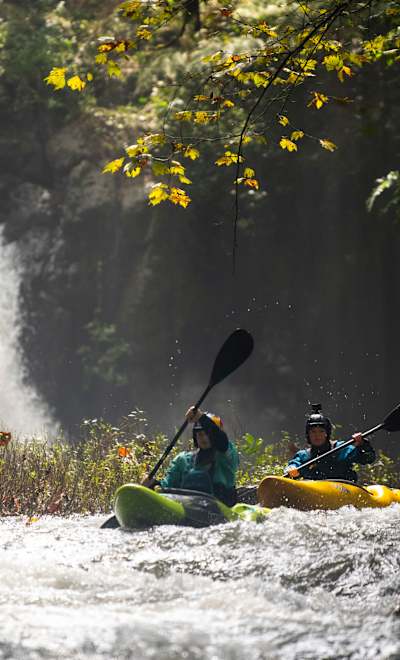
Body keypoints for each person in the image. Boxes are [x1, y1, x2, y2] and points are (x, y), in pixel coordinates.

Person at [142, 406, 239, 505]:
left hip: (220, 510)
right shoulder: (183, 460)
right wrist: (152, 485)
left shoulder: (226, 456)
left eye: (208, 434)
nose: (204, 438)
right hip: (189, 509)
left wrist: (201, 417)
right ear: (195, 437)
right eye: (200, 434)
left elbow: (222, 442)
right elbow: (166, 488)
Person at [286, 404, 376, 482]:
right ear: (308, 435)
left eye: (321, 431)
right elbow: (294, 464)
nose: (317, 435)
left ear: (326, 434)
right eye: (313, 432)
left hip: (343, 491)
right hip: (316, 493)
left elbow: (368, 458)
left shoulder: (342, 449)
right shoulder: (304, 456)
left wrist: (362, 444)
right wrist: (291, 469)